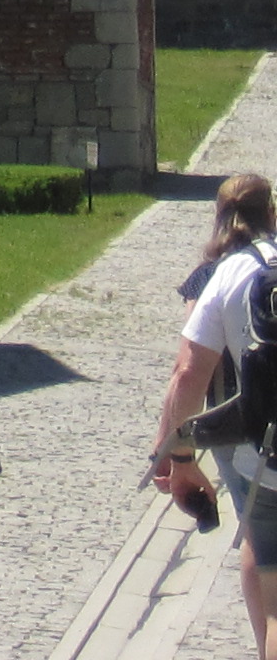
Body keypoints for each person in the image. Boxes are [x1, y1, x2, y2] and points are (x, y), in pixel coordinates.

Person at [153, 173, 277, 660]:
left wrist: (180, 458)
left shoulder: (227, 273)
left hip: (263, 459)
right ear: (272, 212)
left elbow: (187, 372)